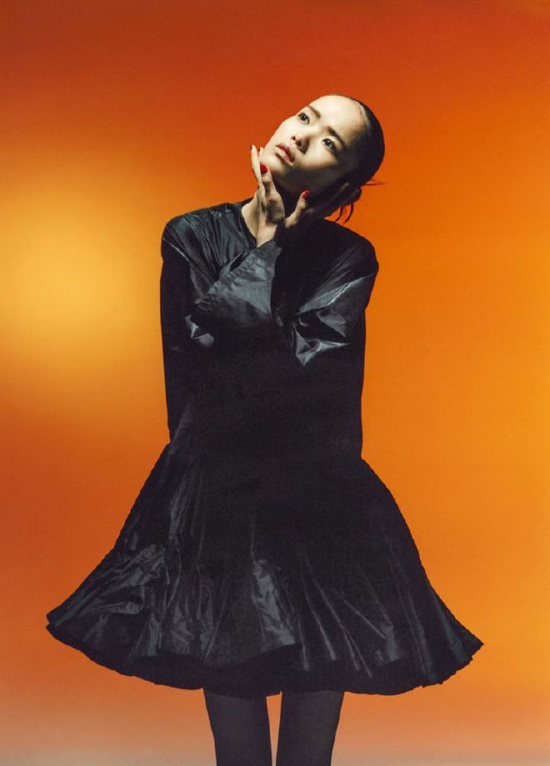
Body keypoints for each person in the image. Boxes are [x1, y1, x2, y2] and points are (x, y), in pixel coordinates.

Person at [46, 93, 484, 766]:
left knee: (309, 743)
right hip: (217, 496)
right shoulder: (191, 235)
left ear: (344, 187)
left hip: (319, 500)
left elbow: (304, 378)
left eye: (331, 142)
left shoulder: (349, 258)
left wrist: (276, 249)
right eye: (306, 117)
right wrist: (270, 247)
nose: (304, 136)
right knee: (238, 744)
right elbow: (194, 368)